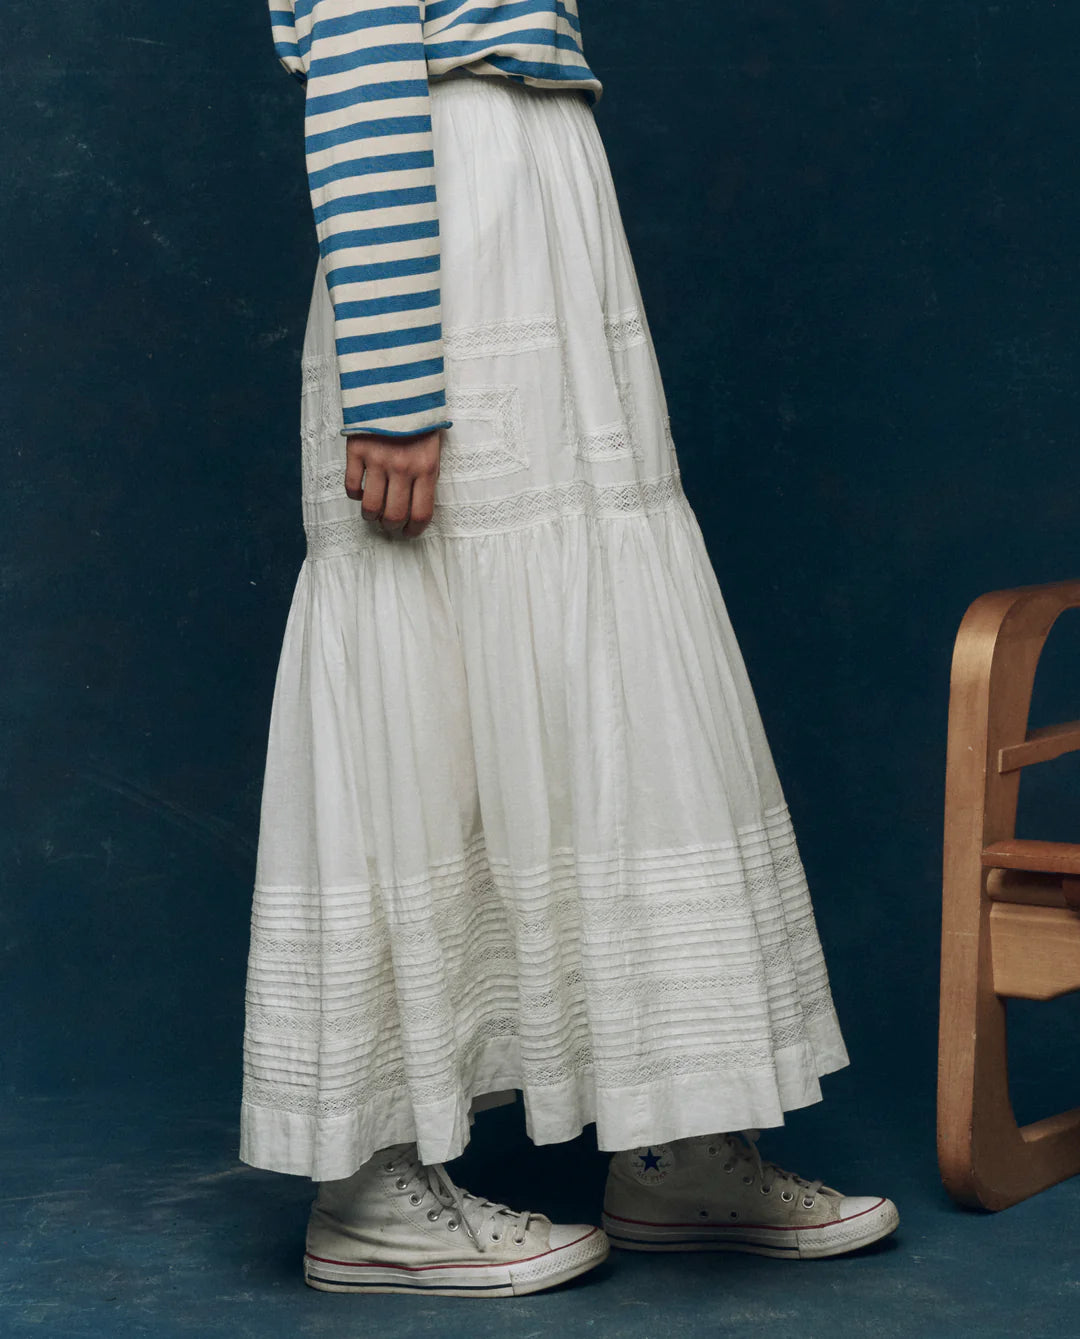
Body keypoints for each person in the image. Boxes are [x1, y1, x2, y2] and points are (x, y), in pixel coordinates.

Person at [240, 0, 899, 1297]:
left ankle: (675, 1138)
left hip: (541, 202)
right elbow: (361, 41)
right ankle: (367, 1183)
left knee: (609, 652)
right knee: (425, 648)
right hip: (449, 217)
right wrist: (393, 377)